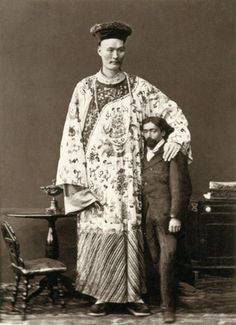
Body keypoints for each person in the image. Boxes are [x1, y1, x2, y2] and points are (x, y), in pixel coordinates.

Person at [56, 21, 192, 317]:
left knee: (130, 231)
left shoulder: (138, 88)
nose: (115, 56)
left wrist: (178, 138)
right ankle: (101, 295)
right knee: (101, 231)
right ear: (99, 51)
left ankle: (134, 296)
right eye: (110, 50)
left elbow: (172, 111)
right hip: (97, 180)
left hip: (130, 180)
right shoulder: (84, 89)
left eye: (120, 50)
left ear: (125, 51)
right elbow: (70, 136)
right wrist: (79, 183)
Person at [142, 116, 192, 323]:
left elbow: (181, 188)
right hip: (147, 217)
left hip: (167, 217)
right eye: (145, 131)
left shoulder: (173, 153)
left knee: (167, 261)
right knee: (154, 260)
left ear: (163, 132)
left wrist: (176, 216)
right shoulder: (142, 155)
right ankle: (161, 298)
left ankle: (168, 308)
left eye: (153, 131)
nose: (148, 135)